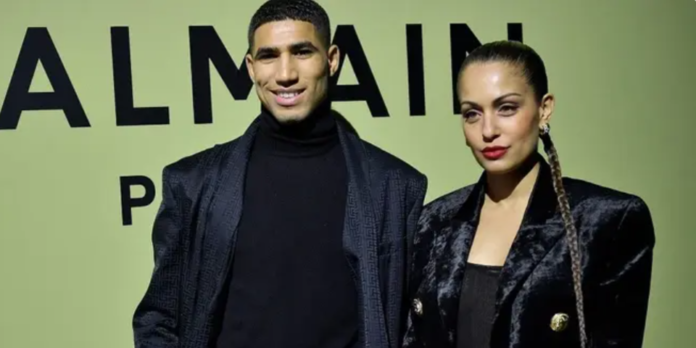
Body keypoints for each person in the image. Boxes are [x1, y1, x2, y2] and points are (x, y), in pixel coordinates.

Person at [131, 1, 427, 347]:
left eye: (302, 52)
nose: (285, 74)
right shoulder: (193, 184)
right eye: (269, 56)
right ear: (251, 67)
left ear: (331, 60)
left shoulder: (395, 187)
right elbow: (159, 320)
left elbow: (415, 326)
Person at [402, 41, 655, 348]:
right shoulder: (433, 222)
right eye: (472, 113)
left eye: (506, 108)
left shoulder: (607, 220)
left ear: (544, 108)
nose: (488, 130)